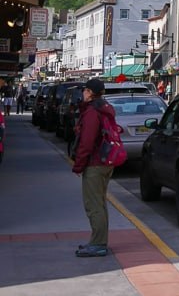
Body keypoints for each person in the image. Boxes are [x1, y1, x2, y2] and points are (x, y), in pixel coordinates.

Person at [71, 78, 116, 257]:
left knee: (93, 205)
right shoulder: (104, 108)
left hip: (95, 163)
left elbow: (87, 142)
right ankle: (99, 240)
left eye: (85, 90)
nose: (83, 93)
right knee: (100, 203)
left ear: (90, 93)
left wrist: (78, 165)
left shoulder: (92, 112)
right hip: (105, 161)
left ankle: (98, 244)